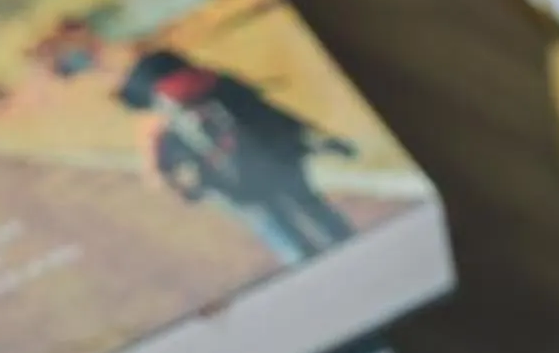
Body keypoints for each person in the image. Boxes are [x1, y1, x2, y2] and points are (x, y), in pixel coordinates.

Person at [35, 18, 354, 263]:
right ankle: (344, 253)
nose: (74, 66)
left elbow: (152, 118)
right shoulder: (135, 60)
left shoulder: (130, 66)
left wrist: (154, 167)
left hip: (221, 148)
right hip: (242, 132)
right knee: (300, 206)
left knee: (275, 219)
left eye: (68, 62)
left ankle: (318, 266)